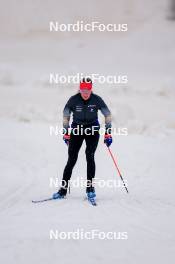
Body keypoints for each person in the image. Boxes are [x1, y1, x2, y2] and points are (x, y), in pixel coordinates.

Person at [53, 78, 112, 200]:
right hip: (77, 131)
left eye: (88, 90)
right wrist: (66, 132)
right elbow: (65, 115)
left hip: (92, 131)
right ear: (80, 89)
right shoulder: (73, 100)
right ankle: (62, 190)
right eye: (83, 90)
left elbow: (107, 114)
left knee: (89, 156)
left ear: (91, 89)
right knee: (72, 159)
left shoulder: (97, 99)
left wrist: (108, 133)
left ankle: (90, 188)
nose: (85, 93)